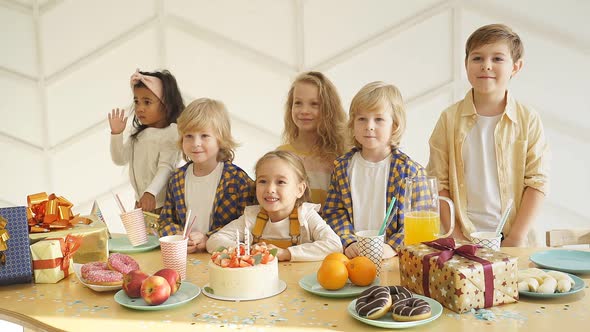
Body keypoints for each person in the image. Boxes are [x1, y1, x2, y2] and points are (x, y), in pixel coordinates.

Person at [427, 24, 549, 247]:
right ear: (466, 64)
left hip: (515, 239)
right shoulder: (448, 119)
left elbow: (537, 183)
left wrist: (516, 238)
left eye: (497, 59)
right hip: (462, 237)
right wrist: (456, 235)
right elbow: (437, 183)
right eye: (477, 58)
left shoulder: (528, 119)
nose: (486, 66)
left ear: (516, 67)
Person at [322, 81, 427, 259]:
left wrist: (393, 247)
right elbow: (334, 213)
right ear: (353, 124)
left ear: (394, 125)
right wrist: (349, 241)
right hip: (353, 259)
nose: (369, 126)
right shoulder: (342, 167)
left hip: (395, 260)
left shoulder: (410, 171)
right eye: (362, 118)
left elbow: (421, 220)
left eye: (378, 119)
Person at [206, 151, 342, 261]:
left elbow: (334, 245)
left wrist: (286, 253)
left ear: (300, 189)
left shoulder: (306, 216)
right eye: (263, 181)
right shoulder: (251, 217)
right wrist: (248, 250)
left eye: (281, 182)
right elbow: (213, 241)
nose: (270, 189)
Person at [159, 98, 256, 253]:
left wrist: (208, 237)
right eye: (189, 136)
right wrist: (178, 235)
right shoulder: (176, 179)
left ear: (221, 139)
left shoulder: (238, 180)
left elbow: (248, 225)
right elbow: (165, 221)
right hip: (186, 259)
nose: (196, 143)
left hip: (224, 260)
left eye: (204, 135)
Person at [109, 69, 184, 213]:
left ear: (166, 104)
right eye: (136, 101)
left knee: (161, 236)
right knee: (139, 236)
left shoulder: (171, 133)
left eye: (147, 102)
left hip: (162, 205)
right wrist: (116, 134)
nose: (140, 108)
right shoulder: (139, 135)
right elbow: (119, 159)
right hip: (141, 203)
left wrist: (151, 192)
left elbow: (166, 168)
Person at [277, 72, 348, 208]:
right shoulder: (282, 155)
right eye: (298, 103)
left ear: (329, 109)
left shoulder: (341, 156)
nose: (304, 110)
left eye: (314, 104)